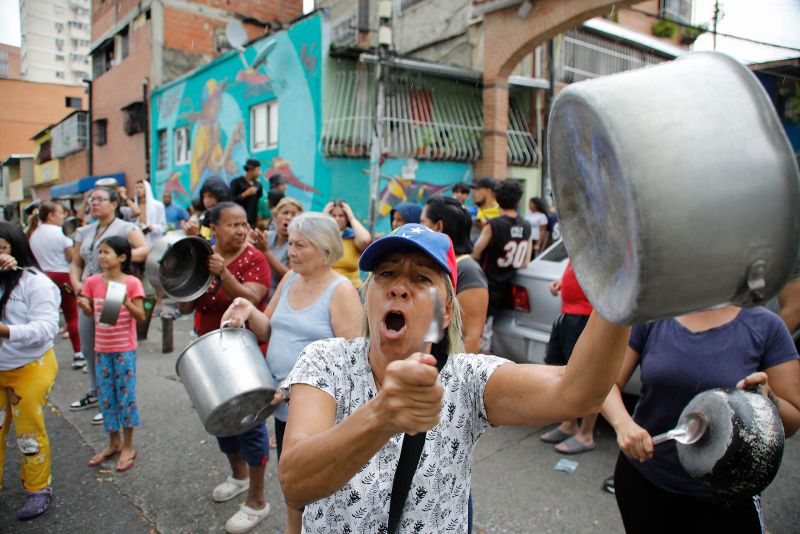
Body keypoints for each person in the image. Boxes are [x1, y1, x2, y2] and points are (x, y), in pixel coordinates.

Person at [276, 223, 630, 532]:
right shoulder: (326, 361)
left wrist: (622, 283)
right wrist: (380, 416)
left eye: (421, 278)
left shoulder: (467, 380)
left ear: (445, 311)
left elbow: (577, 393)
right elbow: (294, 484)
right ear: (366, 293)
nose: (399, 288)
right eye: (386, 274)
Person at [222, 212, 364, 534]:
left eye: (301, 245)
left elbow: (352, 362)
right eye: (292, 244)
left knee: (308, 482)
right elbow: (267, 328)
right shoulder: (289, 280)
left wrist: (294, 389)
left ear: (326, 251)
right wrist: (248, 309)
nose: (291, 251)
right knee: (294, 480)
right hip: (280, 401)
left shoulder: (340, 291)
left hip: (314, 409)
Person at [601, 305, 800, 533]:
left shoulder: (766, 326)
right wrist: (623, 424)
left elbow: (793, 420)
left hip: (727, 497)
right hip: (645, 481)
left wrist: (769, 400)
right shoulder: (654, 314)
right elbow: (606, 384)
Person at [176, 202, 271, 534]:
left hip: (242, 354)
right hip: (207, 352)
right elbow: (184, 303)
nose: (241, 230)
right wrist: (188, 271)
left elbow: (252, 299)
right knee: (221, 422)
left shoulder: (254, 259)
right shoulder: (203, 255)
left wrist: (223, 273)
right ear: (213, 228)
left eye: (244, 223)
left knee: (250, 424)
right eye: (233, 225)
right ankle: (239, 476)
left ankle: (258, 500)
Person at [68, 188, 149, 425]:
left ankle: (114, 401)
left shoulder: (125, 228)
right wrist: (76, 284)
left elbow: (145, 250)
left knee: (114, 342)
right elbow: (75, 263)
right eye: (91, 200)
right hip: (88, 288)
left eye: (100, 199)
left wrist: (117, 259)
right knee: (90, 344)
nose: (94, 204)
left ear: (114, 204)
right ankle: (97, 392)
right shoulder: (84, 231)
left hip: (113, 290)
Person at [0, 221, 60, 520]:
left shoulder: (35, 283)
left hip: (30, 366)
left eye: (1, 248)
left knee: (29, 431)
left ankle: (38, 489)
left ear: (17, 248)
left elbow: (47, 327)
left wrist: (7, 331)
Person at [78, 236, 145, 472]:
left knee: (125, 396)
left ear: (122, 257)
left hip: (124, 349)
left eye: (106, 252)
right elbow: (90, 312)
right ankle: (113, 442)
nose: (101, 257)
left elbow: (141, 316)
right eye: (100, 252)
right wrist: (84, 305)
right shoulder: (93, 281)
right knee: (107, 396)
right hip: (102, 348)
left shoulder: (132, 283)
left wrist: (126, 301)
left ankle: (128, 445)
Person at [539, 260, 597, 454]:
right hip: (568, 311)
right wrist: (563, 282)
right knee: (562, 369)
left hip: (587, 315)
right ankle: (569, 423)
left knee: (588, 374)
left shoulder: (608, 236)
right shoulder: (583, 235)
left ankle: (586, 434)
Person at [421, 195, 488, 354]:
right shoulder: (436, 265)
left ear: (438, 226)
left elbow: (471, 337)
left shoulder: (468, 271)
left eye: (423, 223)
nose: (419, 228)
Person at [471, 180, 532, 352]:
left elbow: (476, 253)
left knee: (480, 333)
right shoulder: (526, 225)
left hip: (487, 286)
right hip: (509, 286)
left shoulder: (493, 224)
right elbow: (525, 261)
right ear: (518, 201)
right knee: (491, 332)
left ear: (497, 199)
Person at [29, 202, 83, 369]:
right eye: (60, 213)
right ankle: (79, 353)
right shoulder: (60, 233)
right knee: (72, 314)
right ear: (51, 215)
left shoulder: (34, 234)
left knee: (45, 317)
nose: (63, 216)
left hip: (43, 277)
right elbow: (71, 259)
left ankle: (42, 356)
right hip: (63, 276)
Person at [258, 197, 302, 298]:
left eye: (293, 215)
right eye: (285, 213)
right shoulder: (266, 236)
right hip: (258, 293)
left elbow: (292, 277)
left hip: (278, 298)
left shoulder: (299, 244)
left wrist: (266, 252)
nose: (288, 217)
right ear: (275, 216)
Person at [324, 200, 371, 288]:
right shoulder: (323, 237)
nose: (337, 218)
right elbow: (311, 240)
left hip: (352, 288)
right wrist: (323, 216)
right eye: (333, 216)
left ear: (347, 218)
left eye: (341, 215)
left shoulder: (353, 236)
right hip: (326, 288)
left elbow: (366, 240)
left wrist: (351, 217)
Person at [185, 176, 231, 241]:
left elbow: (224, 245)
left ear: (221, 195)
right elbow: (206, 239)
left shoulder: (232, 218)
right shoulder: (207, 218)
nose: (206, 201)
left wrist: (197, 235)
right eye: (203, 197)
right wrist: (194, 234)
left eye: (210, 196)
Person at [230, 158, 264, 228]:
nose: (260, 172)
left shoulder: (258, 185)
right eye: (258, 170)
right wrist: (245, 194)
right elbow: (231, 201)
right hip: (238, 222)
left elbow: (259, 204)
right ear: (250, 170)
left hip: (253, 223)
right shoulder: (236, 182)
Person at [133, 179, 167, 245]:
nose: (138, 190)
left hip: (154, 241)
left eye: (141, 187)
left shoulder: (158, 205)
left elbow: (163, 226)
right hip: (139, 240)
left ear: (147, 189)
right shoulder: (134, 207)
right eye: (136, 188)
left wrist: (152, 228)